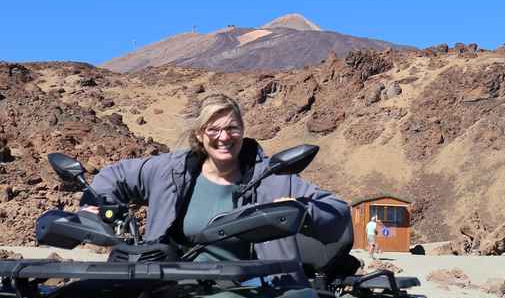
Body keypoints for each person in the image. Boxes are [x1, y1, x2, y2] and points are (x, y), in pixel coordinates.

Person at [82, 93, 351, 266]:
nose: (224, 137)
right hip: (172, 289)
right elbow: (114, 175)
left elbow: (338, 210)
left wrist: (302, 211)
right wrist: (95, 205)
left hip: (253, 293)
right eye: (214, 129)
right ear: (200, 134)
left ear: (243, 131)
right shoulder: (170, 171)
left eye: (232, 128)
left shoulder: (272, 177)